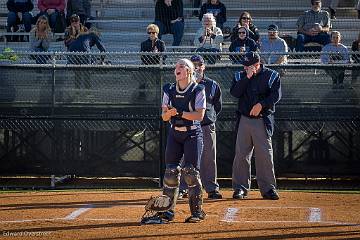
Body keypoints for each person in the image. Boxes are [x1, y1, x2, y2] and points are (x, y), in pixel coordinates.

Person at [148, 58, 206, 223]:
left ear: (189, 71)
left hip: (192, 134)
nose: (177, 68)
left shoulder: (197, 89)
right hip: (175, 133)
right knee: (171, 172)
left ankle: (197, 213)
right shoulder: (169, 89)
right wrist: (170, 114)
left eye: (181, 66)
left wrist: (179, 113)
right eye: (176, 66)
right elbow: (164, 116)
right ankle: (167, 212)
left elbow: (199, 116)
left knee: (191, 172)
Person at [230, 51, 281, 201]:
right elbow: (235, 92)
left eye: (249, 66)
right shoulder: (240, 75)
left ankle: (268, 189)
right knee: (241, 155)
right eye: (245, 65)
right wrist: (248, 77)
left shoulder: (271, 75)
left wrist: (261, 104)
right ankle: (240, 188)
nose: (245, 67)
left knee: (264, 155)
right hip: (244, 119)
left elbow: (276, 96)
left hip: (262, 119)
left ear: (257, 64)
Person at [178, 55, 223, 200]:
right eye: (194, 64)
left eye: (199, 65)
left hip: (206, 126)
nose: (197, 67)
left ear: (204, 66)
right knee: (185, 158)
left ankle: (211, 188)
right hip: (187, 126)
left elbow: (217, 106)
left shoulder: (212, 84)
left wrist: (208, 118)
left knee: (208, 158)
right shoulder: (183, 83)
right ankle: (183, 188)